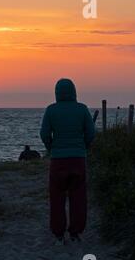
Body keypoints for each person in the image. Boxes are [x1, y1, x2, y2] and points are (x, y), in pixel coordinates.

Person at [40, 78, 95, 245]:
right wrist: (83, 147)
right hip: (78, 159)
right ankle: (75, 232)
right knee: (78, 197)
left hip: (58, 160)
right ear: (74, 92)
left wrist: (51, 148)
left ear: (57, 93)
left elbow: (44, 134)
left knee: (57, 198)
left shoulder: (51, 110)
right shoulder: (82, 109)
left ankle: (58, 233)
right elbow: (91, 132)